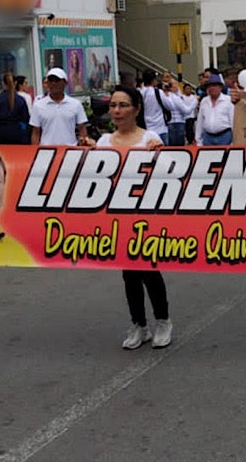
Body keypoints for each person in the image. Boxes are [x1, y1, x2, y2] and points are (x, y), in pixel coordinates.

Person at [96, 85, 172, 349]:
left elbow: (169, 174)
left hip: (146, 215)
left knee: (149, 270)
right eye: (113, 105)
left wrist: (160, 153)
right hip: (117, 216)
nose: (117, 111)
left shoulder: (149, 138)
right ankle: (139, 325)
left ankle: (163, 320)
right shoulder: (103, 142)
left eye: (123, 105)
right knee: (129, 273)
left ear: (137, 109)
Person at [30, 68, 91, 147]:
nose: (53, 83)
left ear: (65, 83)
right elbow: (35, 132)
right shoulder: (38, 105)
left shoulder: (75, 104)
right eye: (51, 81)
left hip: (70, 150)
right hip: (46, 151)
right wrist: (35, 152)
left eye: (57, 80)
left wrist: (83, 146)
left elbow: (82, 128)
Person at [0, 72, 31, 145]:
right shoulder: (21, 100)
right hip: (16, 133)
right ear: (15, 83)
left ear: (3, 84)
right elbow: (26, 118)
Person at [196, 73, 235, 145]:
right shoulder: (204, 101)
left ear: (220, 87)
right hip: (208, 138)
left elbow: (233, 121)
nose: (212, 88)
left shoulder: (228, 101)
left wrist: (233, 141)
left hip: (225, 137)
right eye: (210, 86)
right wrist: (198, 140)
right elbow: (200, 122)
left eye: (214, 85)